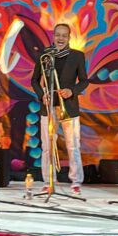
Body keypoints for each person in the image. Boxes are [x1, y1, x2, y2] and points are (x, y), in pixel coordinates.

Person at [31, 23, 89, 195]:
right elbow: (34, 80)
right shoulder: (45, 55)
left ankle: (76, 181)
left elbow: (85, 81)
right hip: (48, 105)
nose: (61, 38)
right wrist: (42, 94)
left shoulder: (77, 56)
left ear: (69, 37)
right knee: (47, 146)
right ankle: (48, 181)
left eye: (64, 35)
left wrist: (72, 91)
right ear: (53, 36)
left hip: (68, 105)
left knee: (73, 145)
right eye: (58, 35)